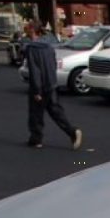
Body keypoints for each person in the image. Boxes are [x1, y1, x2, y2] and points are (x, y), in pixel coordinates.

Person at [24, 21, 82, 149]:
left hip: (40, 86)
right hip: (51, 84)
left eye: (27, 27)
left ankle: (36, 139)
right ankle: (72, 131)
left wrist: (37, 91)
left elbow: (35, 70)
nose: (25, 30)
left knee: (36, 114)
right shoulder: (49, 47)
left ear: (33, 30)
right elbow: (53, 65)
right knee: (56, 112)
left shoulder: (31, 48)